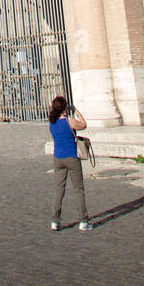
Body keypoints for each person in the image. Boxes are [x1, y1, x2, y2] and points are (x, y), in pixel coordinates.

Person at [48, 96, 93, 232]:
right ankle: (83, 221)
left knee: (59, 190)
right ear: (65, 107)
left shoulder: (52, 123)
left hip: (58, 158)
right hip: (71, 158)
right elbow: (84, 125)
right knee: (78, 190)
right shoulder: (69, 121)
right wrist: (76, 111)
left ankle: (55, 221)